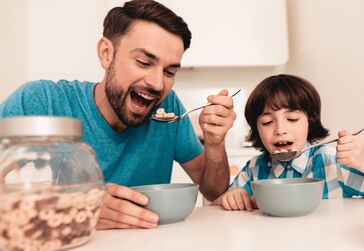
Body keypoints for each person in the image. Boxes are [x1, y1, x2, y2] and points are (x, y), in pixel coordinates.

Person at [0, 0, 236, 228]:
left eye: (169, 71)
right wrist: (72, 208)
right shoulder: (41, 102)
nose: (157, 84)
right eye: (144, 62)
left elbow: (213, 191)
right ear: (106, 53)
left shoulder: (170, 108)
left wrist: (215, 143)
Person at [214, 74, 364, 211]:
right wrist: (232, 197)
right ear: (256, 129)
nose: (280, 129)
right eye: (268, 122)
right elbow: (220, 202)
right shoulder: (255, 169)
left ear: (310, 121)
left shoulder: (332, 162)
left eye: (293, 119)